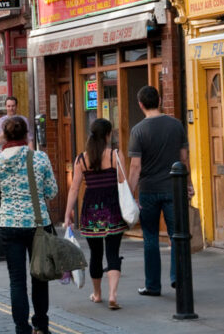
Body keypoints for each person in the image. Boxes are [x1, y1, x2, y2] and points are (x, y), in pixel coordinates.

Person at [0, 116, 57, 334]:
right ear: (26, 136)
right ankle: (41, 326)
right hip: (38, 225)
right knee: (39, 278)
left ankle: (21, 328)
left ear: (4, 136)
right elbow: (52, 191)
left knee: (17, 280)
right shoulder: (40, 158)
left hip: (8, 224)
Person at [128, 85, 193, 296]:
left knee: (150, 238)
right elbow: (184, 159)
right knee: (177, 236)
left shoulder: (138, 130)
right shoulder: (176, 125)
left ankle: (153, 285)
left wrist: (130, 194)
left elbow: (135, 167)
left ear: (140, 105)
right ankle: (178, 278)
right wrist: (188, 183)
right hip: (173, 189)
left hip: (148, 191)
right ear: (160, 100)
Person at [64, 118, 127, 310]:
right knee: (113, 252)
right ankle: (113, 295)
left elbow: (74, 189)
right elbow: (123, 182)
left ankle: (98, 294)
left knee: (96, 254)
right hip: (113, 207)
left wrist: (68, 214)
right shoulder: (115, 155)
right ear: (108, 135)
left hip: (91, 209)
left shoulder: (81, 159)